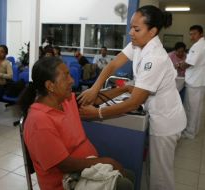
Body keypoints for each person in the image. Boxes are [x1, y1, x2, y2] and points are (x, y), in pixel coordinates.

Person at [78, 5, 186, 190]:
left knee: (161, 177)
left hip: (166, 121)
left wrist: (97, 113)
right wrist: (95, 88)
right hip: (157, 115)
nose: (131, 33)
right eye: (131, 27)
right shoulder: (138, 44)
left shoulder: (155, 58)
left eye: (136, 29)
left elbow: (135, 101)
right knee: (152, 169)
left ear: (152, 31)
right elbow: (112, 65)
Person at [18, 57, 134, 190]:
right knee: (125, 185)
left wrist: (125, 89)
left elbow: (94, 98)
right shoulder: (39, 121)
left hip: (84, 171)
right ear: (50, 86)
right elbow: (65, 165)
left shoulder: (65, 100)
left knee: (129, 176)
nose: (72, 80)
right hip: (65, 181)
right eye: (66, 76)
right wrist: (106, 161)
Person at [181, 25, 205, 139]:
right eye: (190, 34)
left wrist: (179, 65)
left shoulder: (198, 46)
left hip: (195, 83)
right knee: (196, 108)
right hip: (198, 81)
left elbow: (189, 63)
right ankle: (193, 130)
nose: (192, 36)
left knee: (192, 109)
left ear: (201, 34)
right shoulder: (202, 44)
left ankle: (190, 132)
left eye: (194, 34)